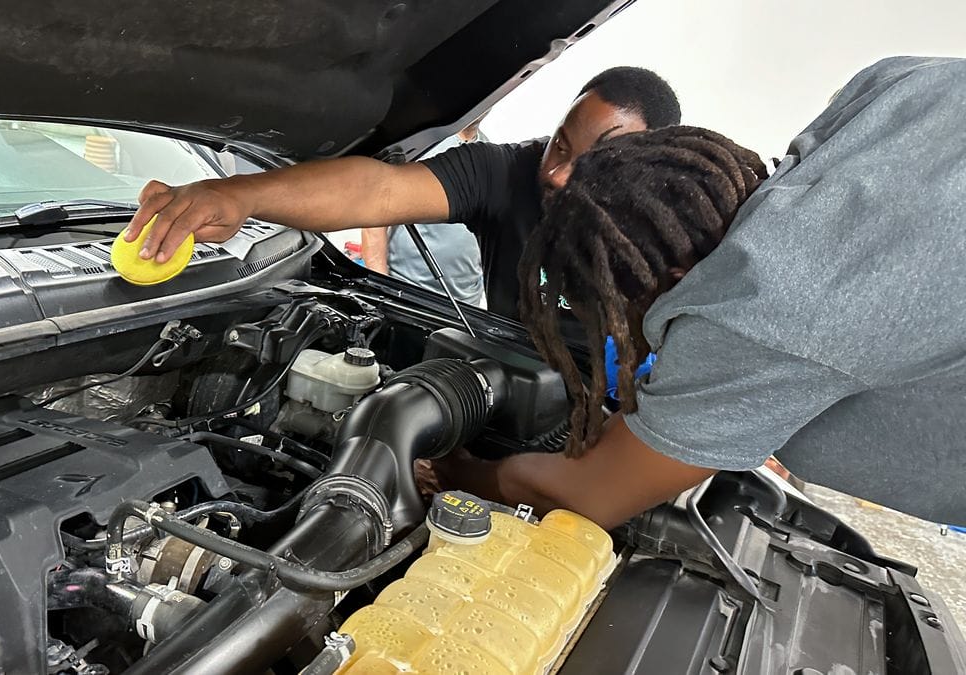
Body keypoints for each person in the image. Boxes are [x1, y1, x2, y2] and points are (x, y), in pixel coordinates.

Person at [428, 56, 966, 529]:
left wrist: (459, 470)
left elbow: (584, 493)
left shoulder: (758, 312)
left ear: (676, 280)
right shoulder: (892, 88)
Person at [125, 66, 682, 320]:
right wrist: (239, 195)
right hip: (509, 391)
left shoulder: (683, 223)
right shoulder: (507, 170)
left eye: (593, 166)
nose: (558, 173)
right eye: (560, 145)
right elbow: (379, 189)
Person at [360, 118, 487, 308]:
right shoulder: (420, 146)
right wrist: (381, 288)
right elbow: (375, 219)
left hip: (465, 305)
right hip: (407, 294)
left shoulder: (488, 155)